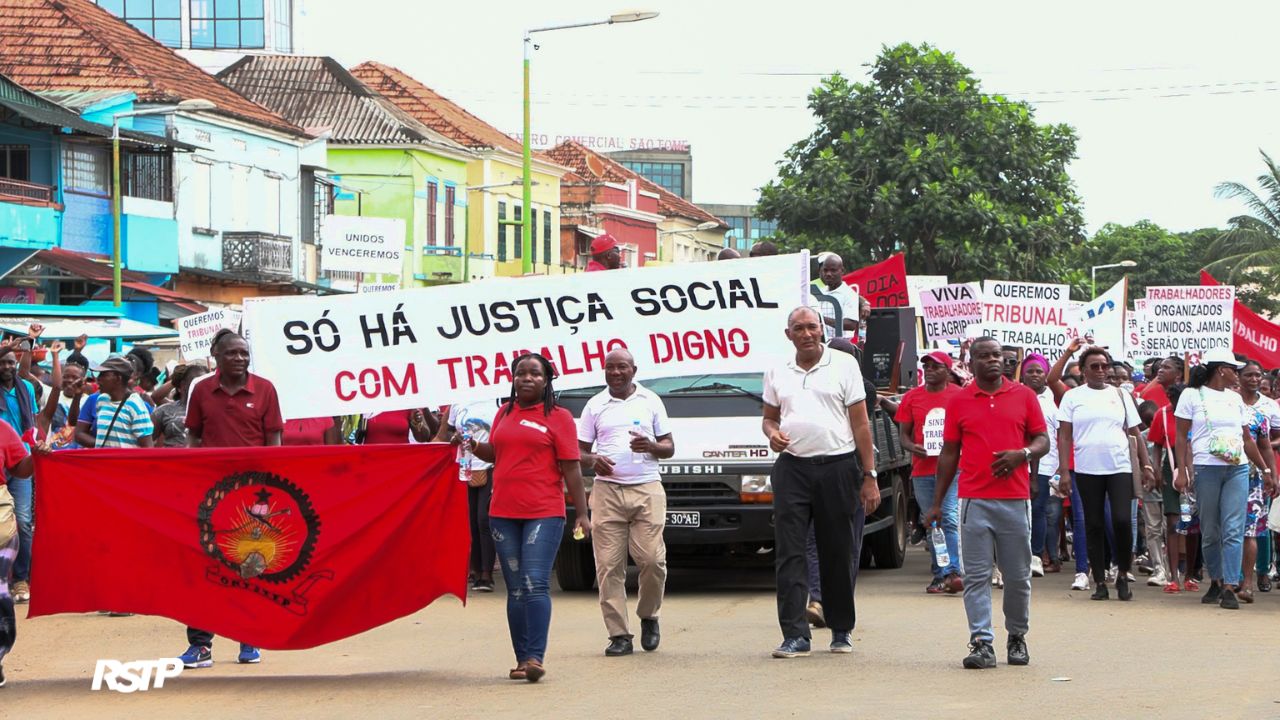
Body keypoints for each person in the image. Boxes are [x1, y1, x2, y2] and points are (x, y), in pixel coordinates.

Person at [762, 307, 879, 659]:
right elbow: (769, 418)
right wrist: (772, 435)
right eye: (798, 328)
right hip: (793, 469)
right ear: (789, 335)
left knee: (837, 550)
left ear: (822, 330)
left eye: (812, 326)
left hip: (839, 468)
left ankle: (841, 628)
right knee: (790, 553)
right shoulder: (777, 370)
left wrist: (869, 475)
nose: (806, 333)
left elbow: (860, 425)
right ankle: (795, 634)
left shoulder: (844, 366)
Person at [926, 336, 1048, 670]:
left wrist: (1021, 454)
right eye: (984, 356)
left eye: (998, 355)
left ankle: (1017, 636)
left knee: (1018, 575)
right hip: (973, 500)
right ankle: (981, 642)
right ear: (971, 361)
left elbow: (1042, 440)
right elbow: (949, 452)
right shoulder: (960, 401)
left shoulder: (1023, 396)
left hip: (1014, 499)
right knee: (976, 575)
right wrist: (937, 502)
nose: (993, 360)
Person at [468, 353, 590, 683]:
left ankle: (536, 656)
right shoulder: (503, 413)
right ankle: (521, 659)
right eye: (520, 373)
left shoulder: (559, 417)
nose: (526, 378)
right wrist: (474, 447)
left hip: (544, 513)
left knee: (535, 582)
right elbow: (497, 452)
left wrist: (582, 513)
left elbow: (572, 468)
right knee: (516, 589)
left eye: (534, 374)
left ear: (547, 380)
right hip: (502, 514)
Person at [181, 329, 283, 666]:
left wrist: (269, 495)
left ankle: (249, 639)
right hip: (209, 494)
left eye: (244, 353)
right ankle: (201, 645)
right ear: (216, 356)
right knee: (203, 567)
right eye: (232, 353)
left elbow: (274, 442)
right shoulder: (201, 390)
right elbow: (193, 439)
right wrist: (190, 482)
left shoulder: (265, 389)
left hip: (253, 495)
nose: (239, 358)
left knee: (250, 565)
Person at [577, 348, 674, 656]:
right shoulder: (595, 405)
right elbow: (577, 453)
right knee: (608, 566)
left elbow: (669, 447)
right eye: (610, 368)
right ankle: (619, 634)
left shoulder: (651, 401)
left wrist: (652, 446)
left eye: (622, 367)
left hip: (646, 488)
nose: (615, 373)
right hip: (607, 492)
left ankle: (649, 616)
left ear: (634, 369)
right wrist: (592, 460)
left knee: (651, 561)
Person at [1173, 349, 1273, 610]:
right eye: (1233, 369)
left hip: (1237, 468)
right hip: (1207, 468)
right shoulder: (1192, 394)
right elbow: (1181, 436)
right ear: (1221, 370)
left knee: (1233, 529)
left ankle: (1229, 585)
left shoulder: (1235, 399)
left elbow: (1247, 439)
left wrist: (1265, 470)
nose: (1237, 374)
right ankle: (1215, 580)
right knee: (1210, 530)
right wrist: (1182, 470)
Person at [1057, 346, 1154, 601]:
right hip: (1087, 468)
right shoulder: (1072, 397)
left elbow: (1134, 432)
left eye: (1104, 366)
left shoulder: (1120, 395)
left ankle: (1122, 572)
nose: (1101, 371)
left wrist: (1146, 465)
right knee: (1094, 524)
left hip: (1120, 466)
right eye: (1094, 366)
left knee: (1122, 520)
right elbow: (1064, 435)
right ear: (1084, 371)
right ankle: (1099, 580)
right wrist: (1065, 471)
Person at [895, 351, 963, 593]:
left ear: (947, 370)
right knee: (932, 521)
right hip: (923, 469)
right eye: (927, 366)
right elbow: (903, 435)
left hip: (954, 468)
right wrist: (912, 447)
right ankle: (940, 573)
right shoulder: (913, 397)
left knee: (950, 518)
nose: (930, 370)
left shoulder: (959, 396)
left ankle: (953, 571)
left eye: (936, 366)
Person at [435, 398, 500, 593]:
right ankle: (474, 571)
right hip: (465, 466)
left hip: (489, 465)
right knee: (469, 520)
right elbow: (442, 434)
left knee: (483, 519)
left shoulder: (497, 398)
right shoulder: (456, 402)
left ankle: (487, 574)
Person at [1235, 360, 1279, 600]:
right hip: (1228, 472)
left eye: (1258, 375)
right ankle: (1231, 579)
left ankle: (1254, 578)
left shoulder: (1267, 409)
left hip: (1256, 476)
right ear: (1237, 377)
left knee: (1254, 529)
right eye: (1249, 375)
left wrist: (1270, 472)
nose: (1254, 379)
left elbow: (1270, 444)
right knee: (1230, 530)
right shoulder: (1227, 404)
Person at [0, 344, 37, 606]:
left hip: (19, 456)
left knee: (22, 521)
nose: (7, 367)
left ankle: (20, 578)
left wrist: (38, 455)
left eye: (11, 362)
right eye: (3, 362)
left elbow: (37, 420)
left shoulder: (26, 390)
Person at [0, 416, 35, 688]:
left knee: (0, 592)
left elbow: (21, 470)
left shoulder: (2, 428)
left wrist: (36, 453)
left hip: (0, 518)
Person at [1149, 383, 1192, 593]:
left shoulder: (1198, 413)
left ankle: (1191, 574)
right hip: (1171, 467)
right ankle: (1173, 576)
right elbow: (1157, 444)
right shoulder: (1162, 415)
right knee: (1174, 521)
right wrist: (1156, 469)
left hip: (1195, 465)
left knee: (1192, 523)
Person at [1021, 353, 1060, 577]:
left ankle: (1036, 555)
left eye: (1039, 371)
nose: (1035, 375)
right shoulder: (1017, 395)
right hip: (1019, 463)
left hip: (1045, 465)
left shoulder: (1052, 401)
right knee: (1020, 512)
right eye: (1030, 371)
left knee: (1038, 510)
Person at [85, 356, 154, 449]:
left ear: (118, 378)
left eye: (103, 375)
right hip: (102, 463)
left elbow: (147, 448)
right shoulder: (101, 400)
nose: (98, 379)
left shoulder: (135, 406)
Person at [150, 365, 208, 448]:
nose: (200, 386)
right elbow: (146, 443)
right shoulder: (164, 411)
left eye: (204, 382)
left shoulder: (215, 411)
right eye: (195, 383)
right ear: (183, 385)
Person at [806, 253, 858, 341]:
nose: (828, 274)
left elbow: (850, 324)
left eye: (833, 270)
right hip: (821, 343)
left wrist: (821, 319)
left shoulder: (849, 294)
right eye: (825, 270)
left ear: (842, 271)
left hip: (842, 345)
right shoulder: (819, 293)